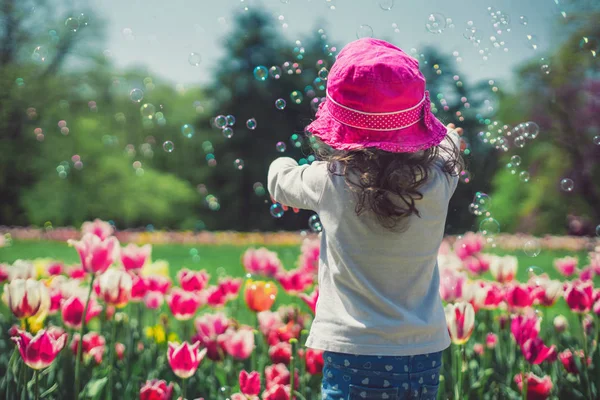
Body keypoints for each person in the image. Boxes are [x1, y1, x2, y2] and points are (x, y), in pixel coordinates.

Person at [267, 38, 463, 400]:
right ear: (418, 123)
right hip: (423, 352)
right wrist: (444, 132)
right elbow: (451, 140)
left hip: (353, 351)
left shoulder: (329, 179)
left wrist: (282, 164)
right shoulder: (440, 177)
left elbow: (279, 183)